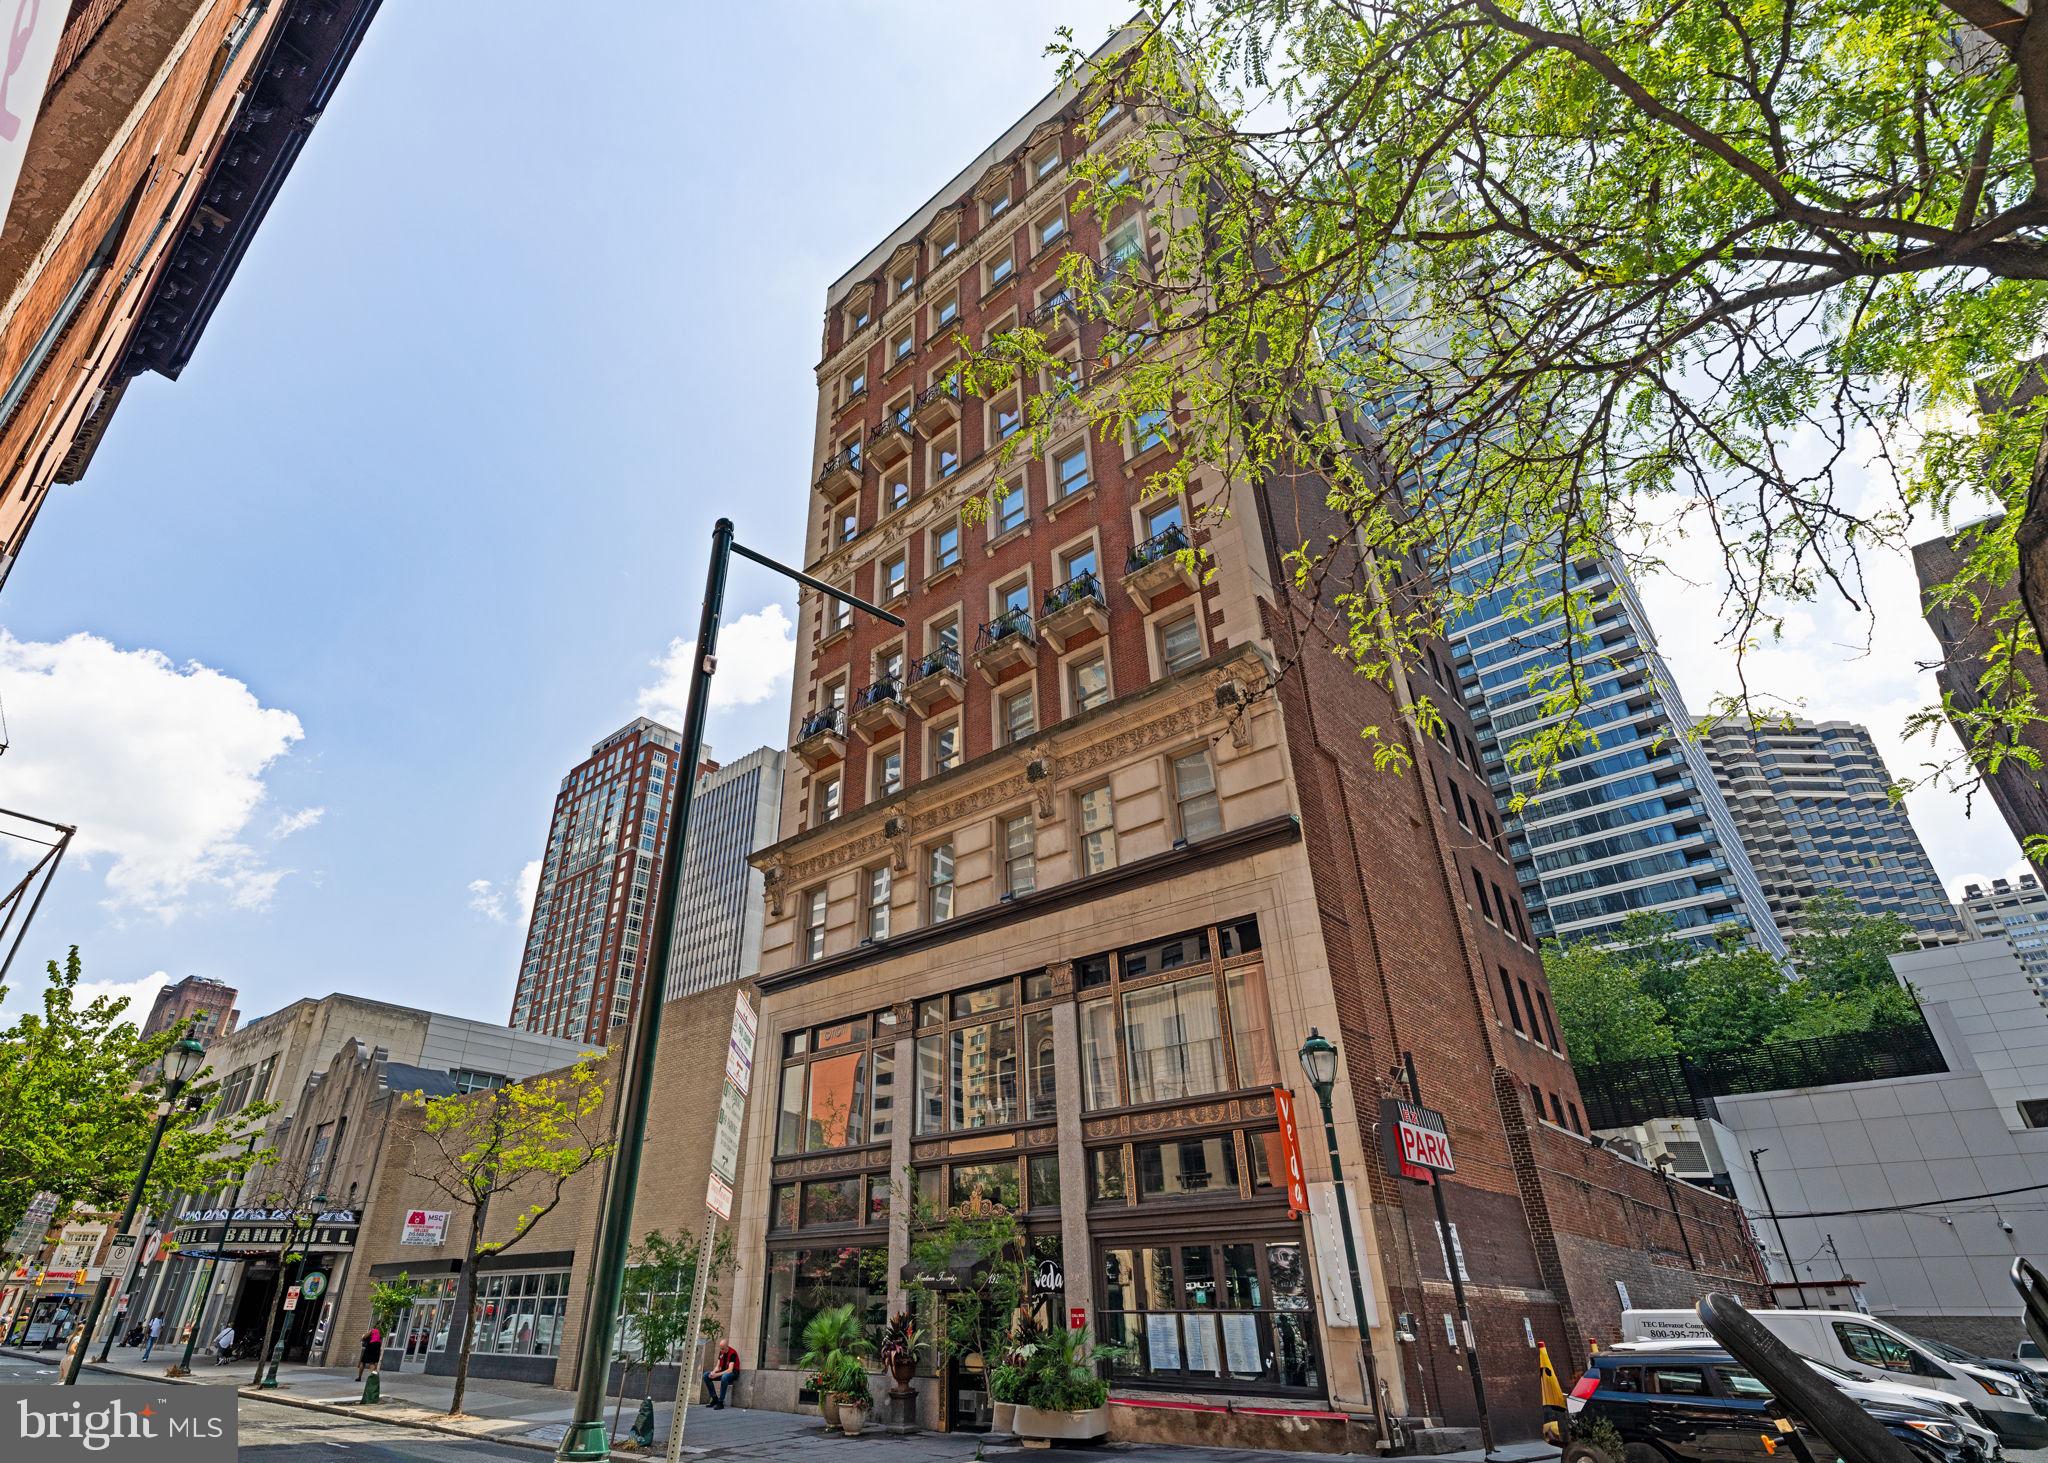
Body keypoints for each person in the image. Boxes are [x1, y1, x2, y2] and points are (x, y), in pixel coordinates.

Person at [701, 1338, 740, 1410]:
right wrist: (713, 1372)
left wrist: (717, 1375)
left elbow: (730, 1370)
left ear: (726, 1346)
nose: (721, 1350)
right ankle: (715, 1398)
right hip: (723, 1372)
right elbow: (718, 1366)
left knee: (724, 1377)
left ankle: (720, 1402)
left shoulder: (732, 1353)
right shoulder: (721, 1352)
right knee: (706, 1375)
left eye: (723, 1348)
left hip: (732, 1373)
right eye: (720, 1348)